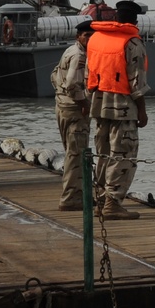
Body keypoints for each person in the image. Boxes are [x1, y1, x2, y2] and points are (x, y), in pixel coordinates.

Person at [86, 0, 149, 220]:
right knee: (124, 155)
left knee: (103, 154)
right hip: (123, 107)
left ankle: (100, 201)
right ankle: (113, 203)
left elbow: (89, 74)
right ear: (135, 20)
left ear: (114, 17)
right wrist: (142, 110)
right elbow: (137, 83)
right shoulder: (132, 43)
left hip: (99, 104)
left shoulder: (96, 39)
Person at [50, 20, 94, 211]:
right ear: (79, 37)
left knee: (72, 152)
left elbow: (54, 75)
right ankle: (70, 198)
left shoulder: (69, 51)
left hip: (63, 107)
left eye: (93, 36)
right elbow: (71, 85)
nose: (90, 40)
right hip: (74, 110)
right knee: (76, 155)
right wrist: (83, 103)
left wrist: (61, 97)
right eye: (87, 36)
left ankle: (76, 194)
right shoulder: (80, 56)